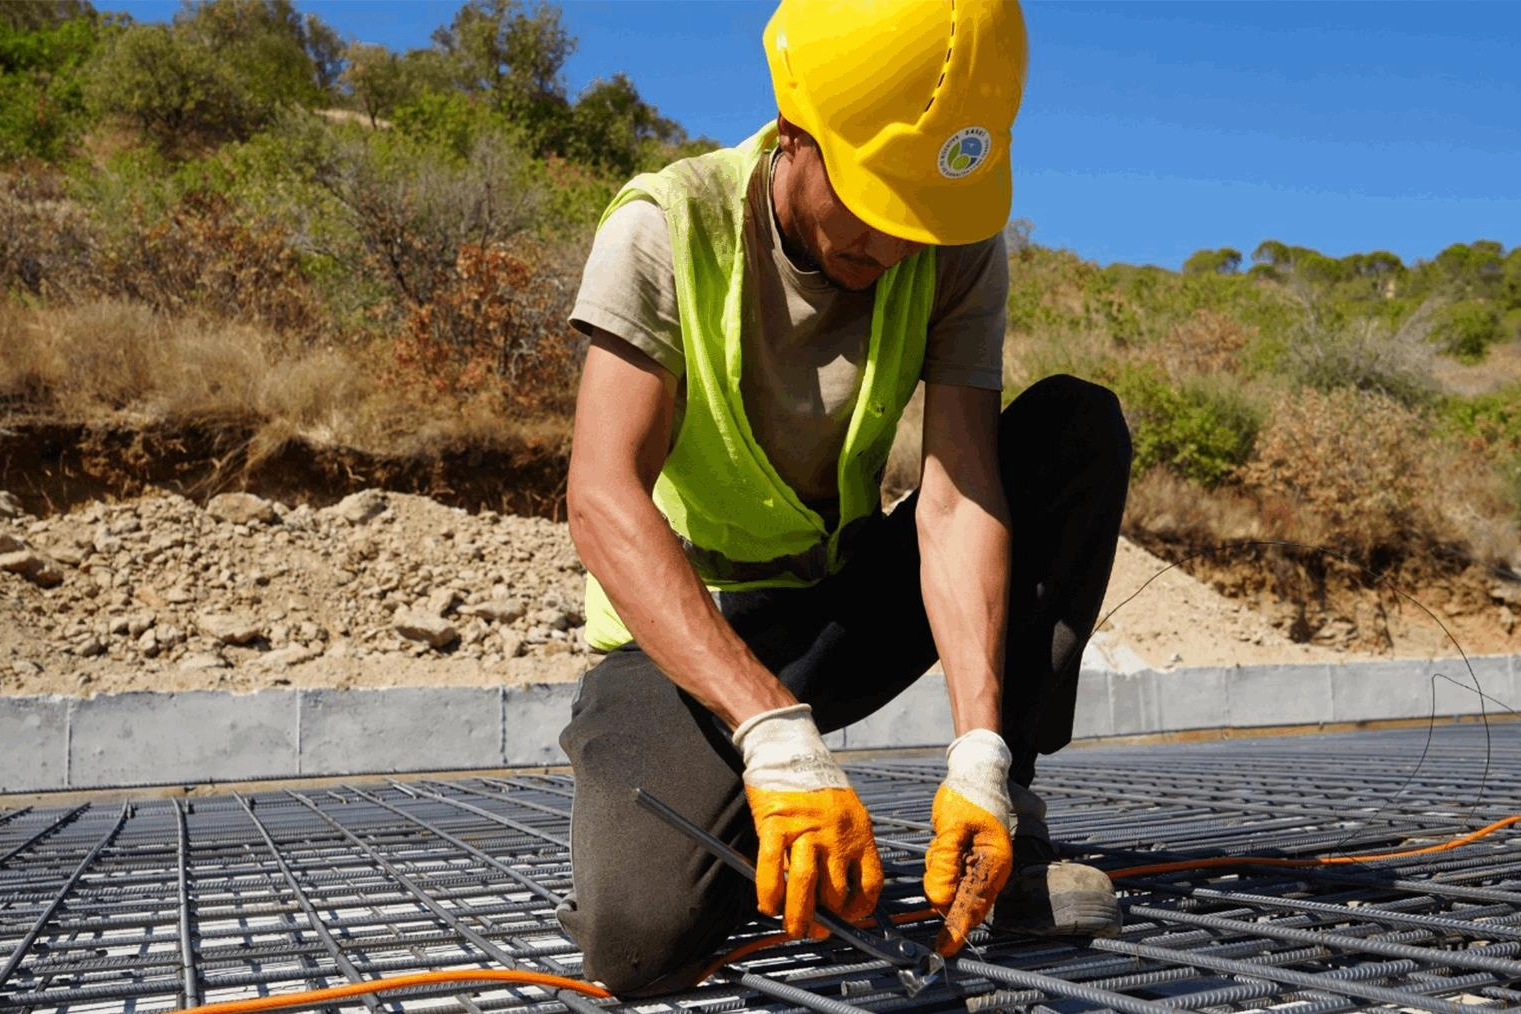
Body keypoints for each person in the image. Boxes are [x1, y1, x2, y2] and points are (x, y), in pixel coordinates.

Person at [557, 0, 1131, 995]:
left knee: (1073, 434)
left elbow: (958, 497)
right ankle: (748, 810)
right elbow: (603, 499)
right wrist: (771, 732)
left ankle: (1010, 827)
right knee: (640, 942)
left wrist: (981, 750)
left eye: (921, 216)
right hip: (686, 631)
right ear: (796, 133)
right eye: (874, 201)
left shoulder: (949, 239)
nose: (897, 244)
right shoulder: (666, 227)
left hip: (839, 599)